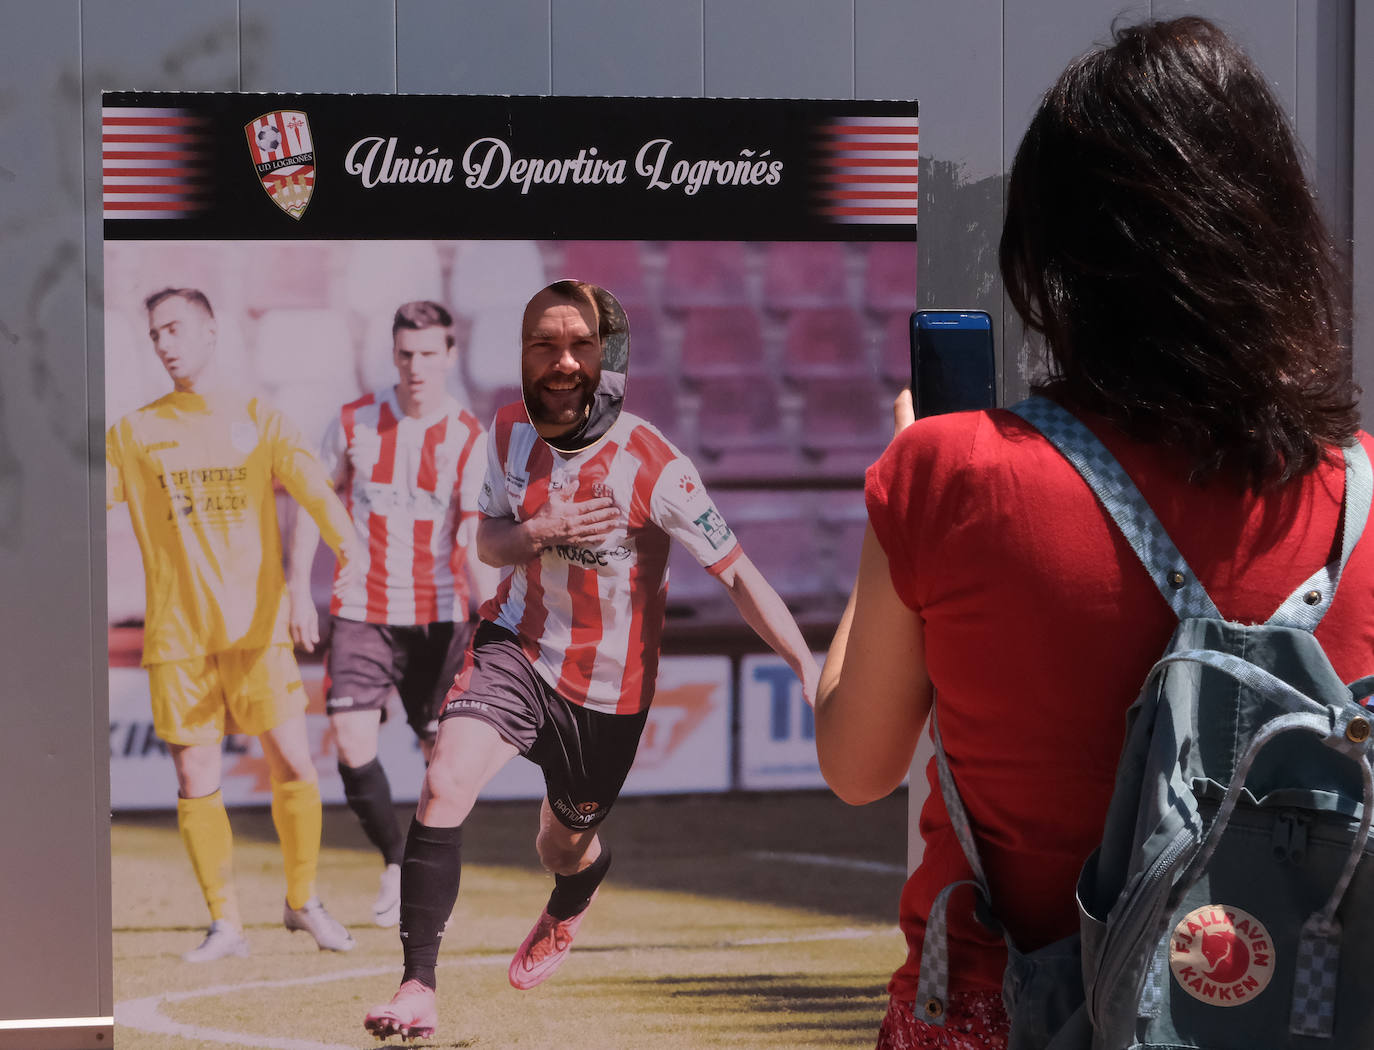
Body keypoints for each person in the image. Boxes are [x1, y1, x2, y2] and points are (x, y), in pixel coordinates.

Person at [814, 17, 1374, 1050]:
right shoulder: (1364, 495)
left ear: (1054, 253)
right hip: (1278, 1013)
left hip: (1014, 1011)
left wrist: (893, 499)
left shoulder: (948, 475)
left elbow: (857, 761)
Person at [363, 280, 821, 1041]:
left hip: (608, 693)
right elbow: (489, 542)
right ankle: (417, 986)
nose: (561, 360)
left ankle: (574, 894)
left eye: (578, 345)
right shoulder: (506, 431)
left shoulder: (656, 465)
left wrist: (804, 662)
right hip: (516, 646)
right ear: (523, 355)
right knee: (443, 782)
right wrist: (542, 528)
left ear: (607, 360)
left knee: (561, 844)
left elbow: (738, 571)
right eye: (544, 343)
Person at [106, 288, 362, 961]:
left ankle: (303, 901)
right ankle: (226, 923)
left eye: (176, 329)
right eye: (155, 334)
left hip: (258, 630)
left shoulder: (258, 417)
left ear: (213, 330)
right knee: (197, 782)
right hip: (178, 639)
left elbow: (312, 487)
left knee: (297, 765)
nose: (165, 343)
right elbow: (75, 506)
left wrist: (351, 550)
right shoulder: (134, 434)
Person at [287, 300, 496, 928]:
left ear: (449, 356)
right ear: (392, 353)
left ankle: (429, 879)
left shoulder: (466, 436)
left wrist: (491, 619)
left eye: (429, 353)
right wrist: (299, 588)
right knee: (351, 742)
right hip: (362, 610)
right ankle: (396, 861)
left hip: (440, 616)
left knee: (445, 762)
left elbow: (475, 538)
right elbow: (311, 501)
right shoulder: (354, 421)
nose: (416, 366)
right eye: (406, 353)